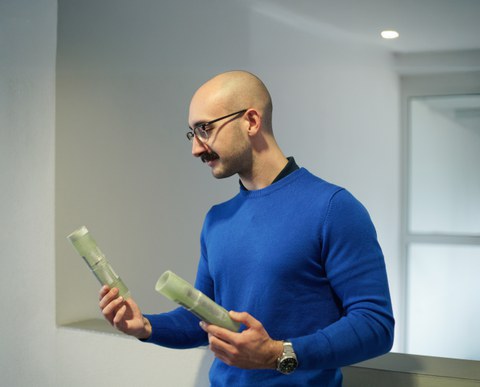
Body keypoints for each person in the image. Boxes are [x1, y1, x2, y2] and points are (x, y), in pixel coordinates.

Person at [99, 70, 394, 386]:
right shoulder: (217, 219)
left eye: (205, 129)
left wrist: (277, 353)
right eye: (192, 133)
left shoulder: (333, 208)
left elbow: (375, 325)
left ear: (251, 121)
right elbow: (203, 318)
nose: (196, 149)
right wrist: (145, 326)